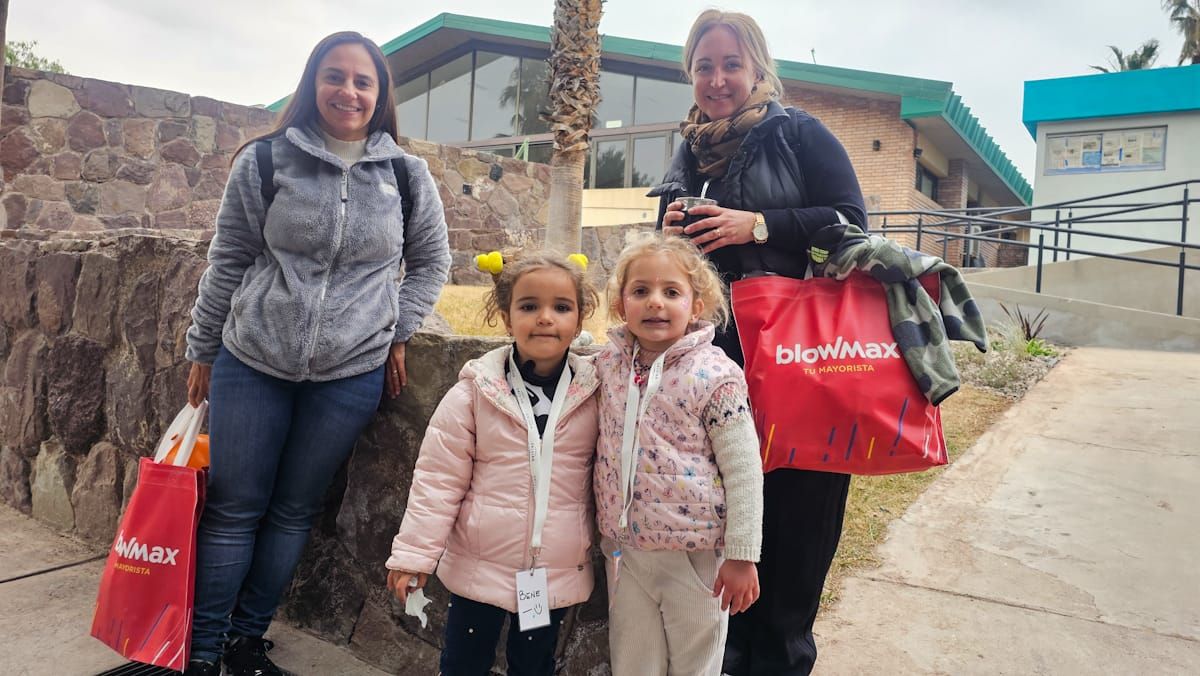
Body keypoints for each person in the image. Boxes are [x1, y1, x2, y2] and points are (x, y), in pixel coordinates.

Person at [182, 31, 451, 676]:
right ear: (313, 84)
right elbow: (230, 258)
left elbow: (432, 261)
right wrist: (203, 346)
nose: (349, 91)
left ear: (381, 94)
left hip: (349, 372)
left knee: (293, 509)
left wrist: (399, 329)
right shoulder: (266, 161)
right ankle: (202, 650)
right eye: (336, 76)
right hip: (252, 358)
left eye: (364, 81)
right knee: (233, 508)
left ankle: (247, 645)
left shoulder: (407, 176)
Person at [649, 10, 868, 676]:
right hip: (712, 371)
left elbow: (854, 227)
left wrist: (760, 226)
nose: (718, 79)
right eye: (704, 66)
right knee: (728, 537)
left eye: (731, 64)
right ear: (689, 73)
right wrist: (668, 233)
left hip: (802, 366)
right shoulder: (686, 150)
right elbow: (666, 259)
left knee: (795, 544)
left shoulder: (799, 134)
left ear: (757, 69)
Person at [385, 250, 600, 676]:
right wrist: (413, 555)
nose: (545, 318)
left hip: (550, 575)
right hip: (478, 571)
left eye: (561, 307)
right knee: (464, 663)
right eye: (528, 306)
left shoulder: (596, 393)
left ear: (579, 320)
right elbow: (437, 482)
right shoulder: (474, 394)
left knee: (533, 666)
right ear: (506, 317)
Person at [593, 234, 764, 676]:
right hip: (626, 554)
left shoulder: (716, 375)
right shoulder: (605, 366)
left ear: (697, 305)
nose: (655, 303)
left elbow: (744, 470)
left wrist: (742, 555)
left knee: (695, 665)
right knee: (632, 662)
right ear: (620, 305)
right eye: (640, 291)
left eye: (672, 292)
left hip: (696, 557)